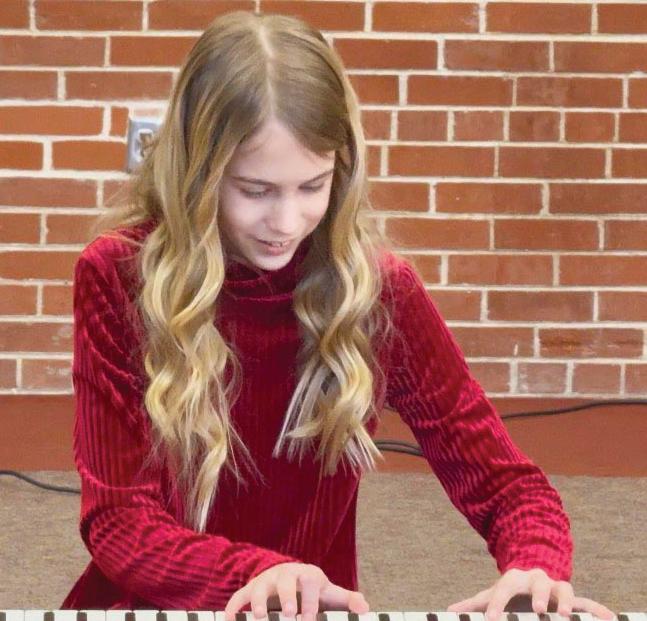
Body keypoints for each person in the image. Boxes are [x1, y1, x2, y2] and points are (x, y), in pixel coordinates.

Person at [61, 8, 615, 621]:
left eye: (313, 186)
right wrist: (258, 572)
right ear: (197, 171)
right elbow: (119, 523)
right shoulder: (118, 275)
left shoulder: (376, 291)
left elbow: (507, 485)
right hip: (153, 609)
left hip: (307, 611)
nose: (286, 222)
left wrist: (534, 564)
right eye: (254, 190)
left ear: (341, 171)